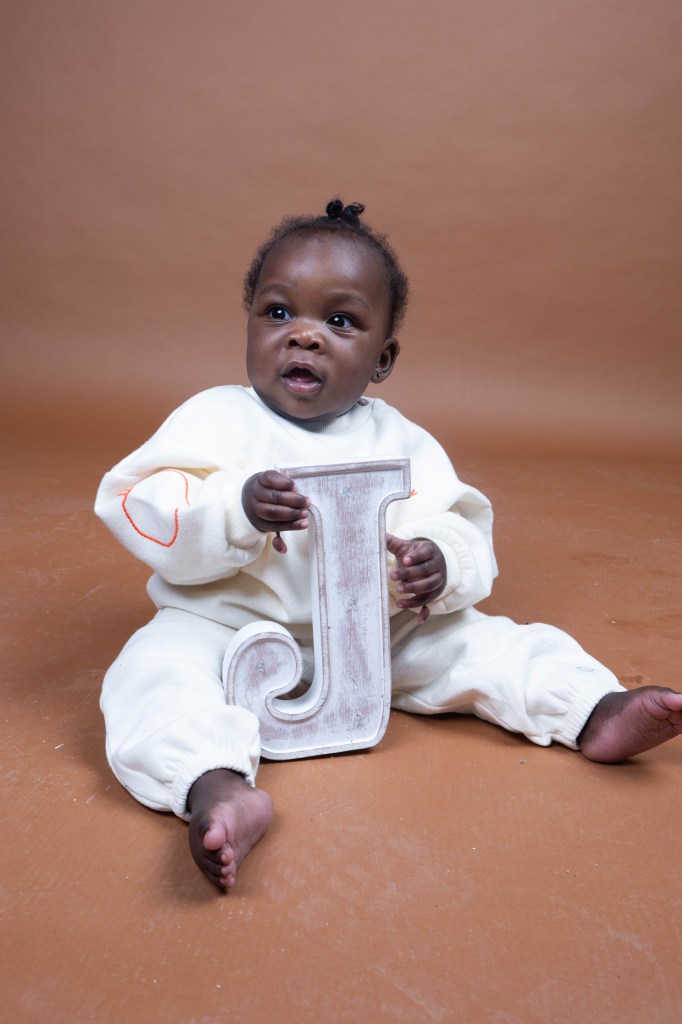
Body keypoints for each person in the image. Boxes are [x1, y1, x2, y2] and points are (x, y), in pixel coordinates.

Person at [95, 199, 682, 892]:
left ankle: (590, 710)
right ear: (249, 324)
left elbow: (460, 522)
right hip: (222, 628)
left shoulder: (401, 441)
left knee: (489, 644)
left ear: (383, 359)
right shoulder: (215, 418)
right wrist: (235, 509)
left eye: (340, 322)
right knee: (151, 674)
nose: (304, 336)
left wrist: (439, 559)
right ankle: (214, 784)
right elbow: (142, 503)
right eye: (278, 313)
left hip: (374, 636)